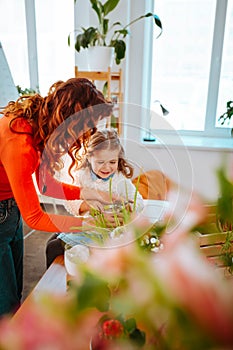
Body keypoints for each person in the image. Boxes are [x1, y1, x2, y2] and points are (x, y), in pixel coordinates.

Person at [0, 77, 114, 316]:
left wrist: (88, 192)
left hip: (10, 209)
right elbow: (35, 218)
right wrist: (88, 225)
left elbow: (45, 186)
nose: (82, 137)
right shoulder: (20, 143)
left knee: (15, 291)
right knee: (6, 303)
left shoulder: (38, 125)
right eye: (84, 128)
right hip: (3, 211)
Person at [46, 128, 144, 267]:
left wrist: (128, 207)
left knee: (54, 247)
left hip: (108, 233)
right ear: (89, 157)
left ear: (118, 159)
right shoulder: (81, 175)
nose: (107, 167)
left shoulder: (119, 180)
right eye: (100, 162)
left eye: (112, 162)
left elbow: (139, 201)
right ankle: (55, 283)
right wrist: (87, 205)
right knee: (51, 244)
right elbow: (70, 205)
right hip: (88, 226)